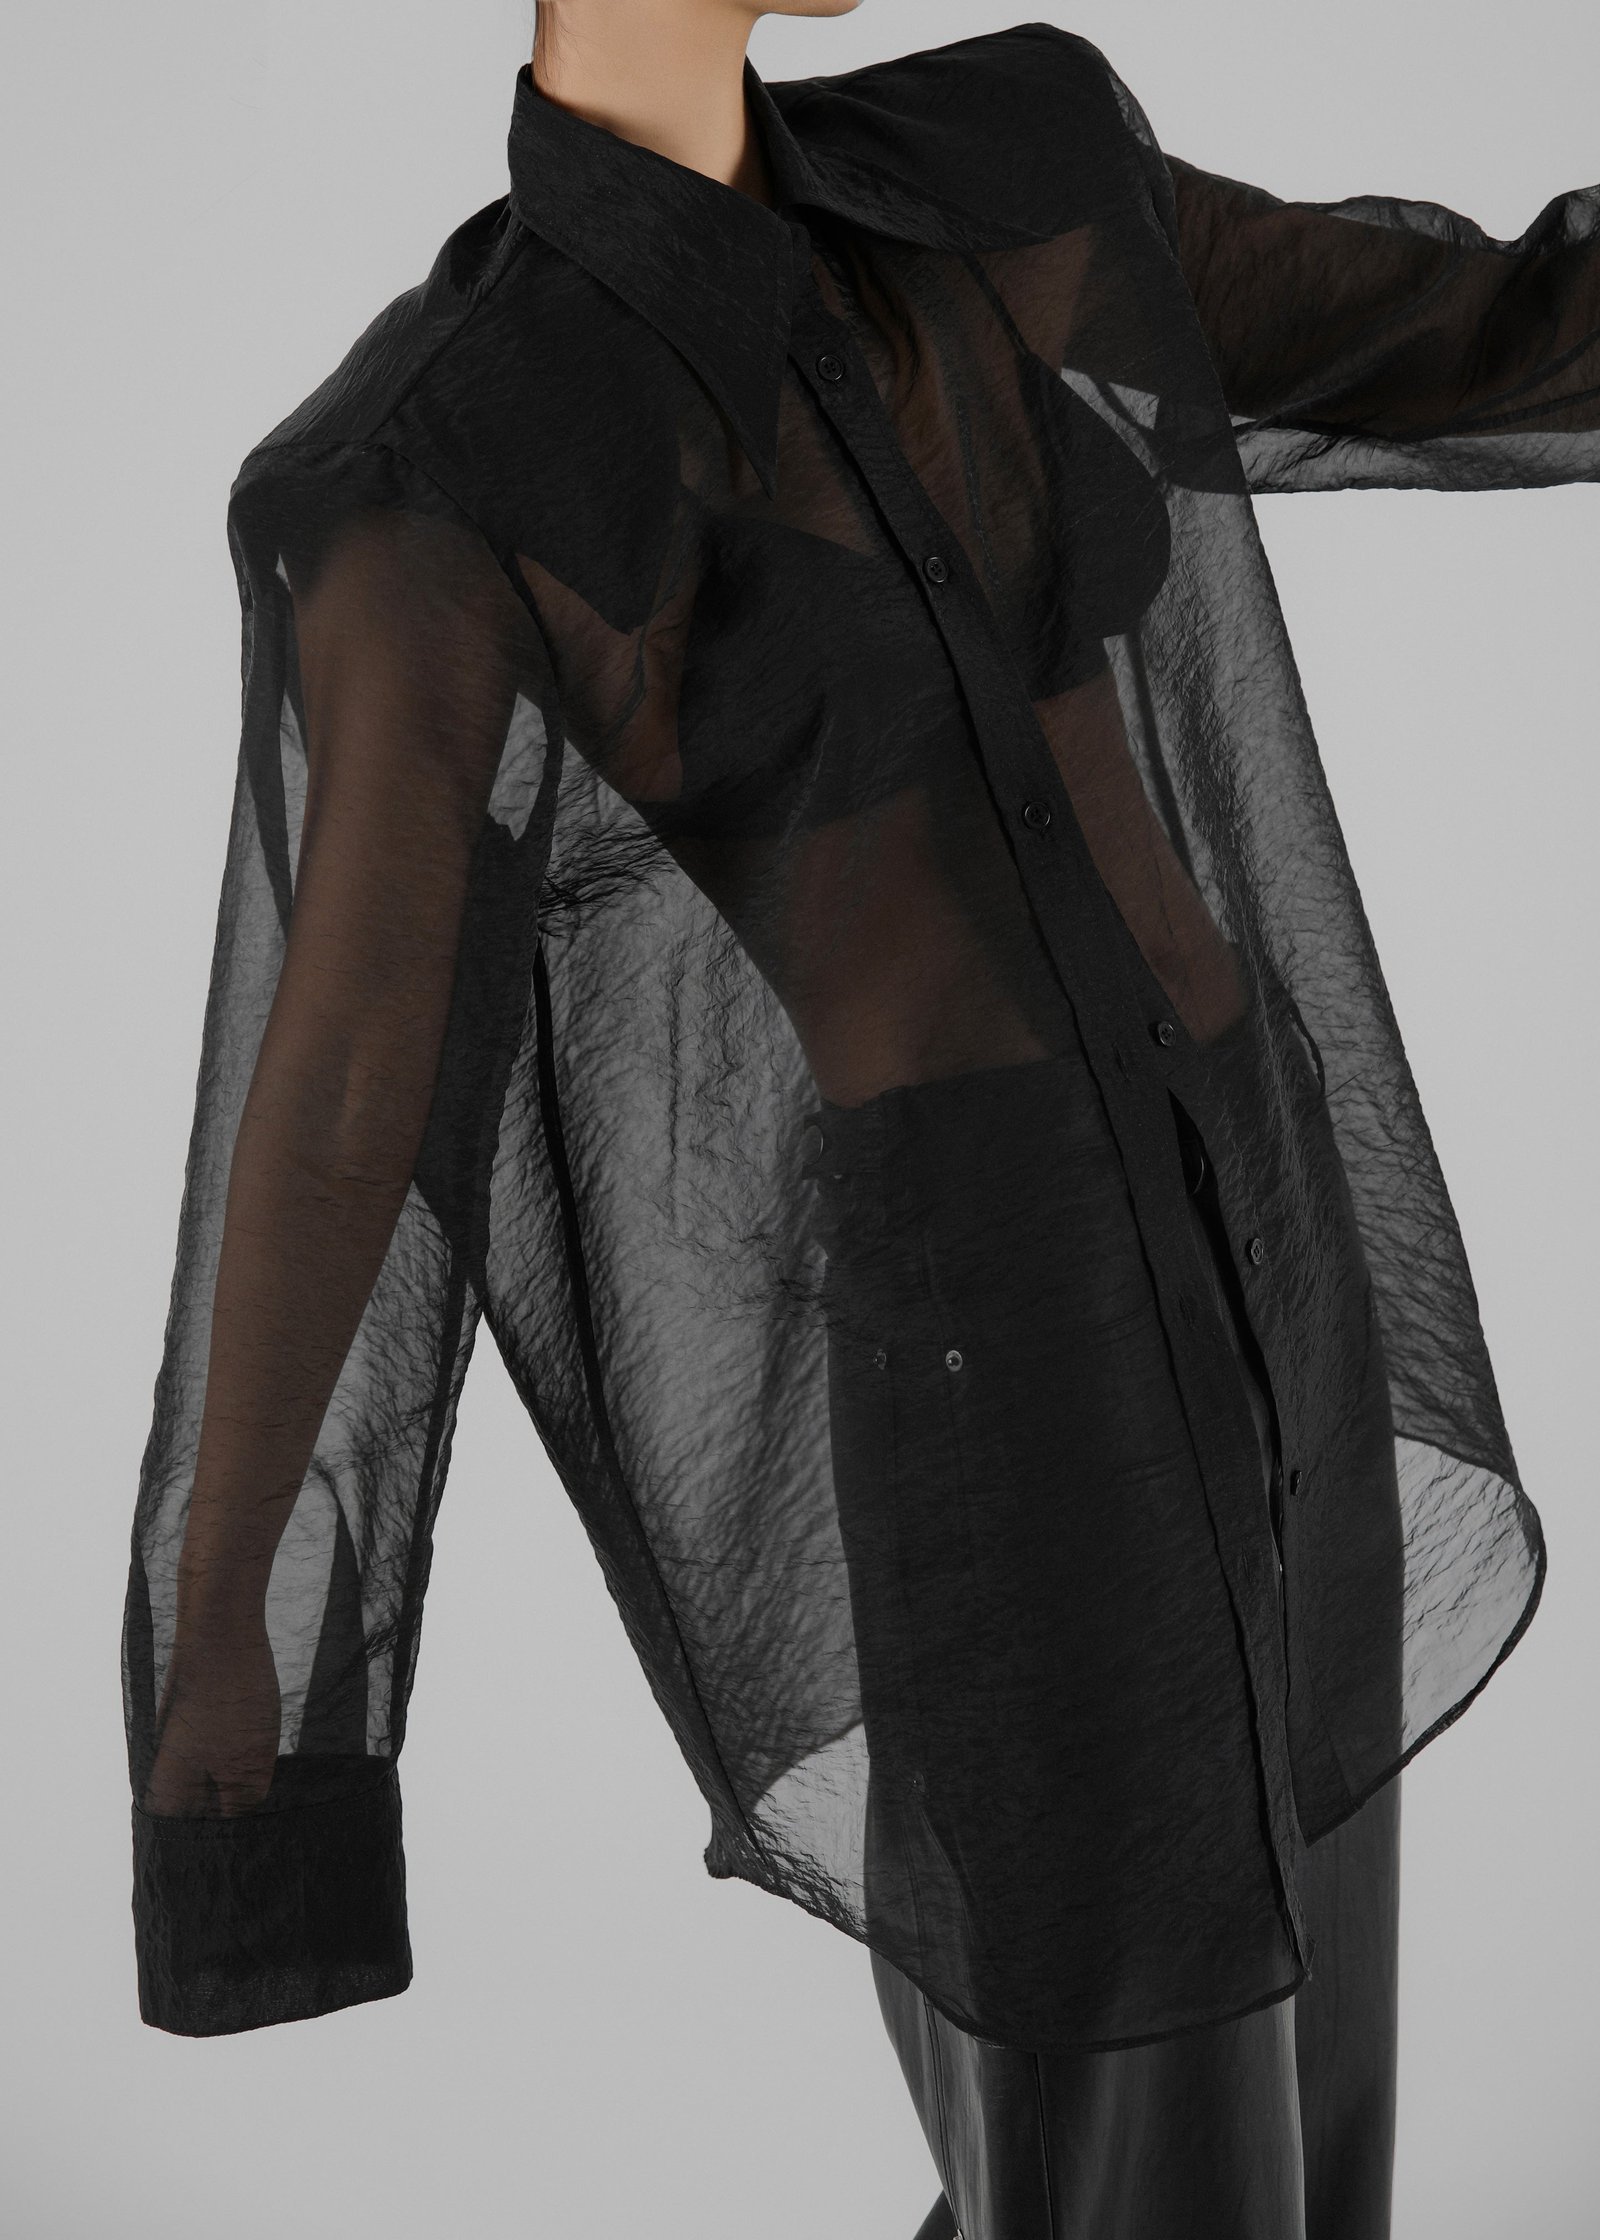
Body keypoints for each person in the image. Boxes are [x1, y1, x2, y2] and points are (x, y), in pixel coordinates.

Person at [121, 5, 1589, 2233]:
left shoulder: (1012, 162)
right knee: (1140, 2162)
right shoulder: (437, 469)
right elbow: (340, 1106)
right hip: (1008, 1365)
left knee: (1321, 2119)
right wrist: (244, 1701)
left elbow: (1470, 334)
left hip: (1269, 1240)